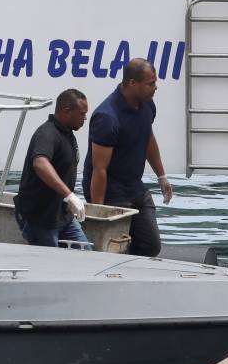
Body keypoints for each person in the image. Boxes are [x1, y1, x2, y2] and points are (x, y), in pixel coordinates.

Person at [82, 59, 173, 257]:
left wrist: (161, 176)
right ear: (132, 83)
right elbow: (99, 169)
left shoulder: (147, 105)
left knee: (151, 245)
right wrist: (99, 212)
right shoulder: (107, 118)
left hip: (134, 187)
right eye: (150, 84)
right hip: (110, 192)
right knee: (112, 246)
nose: (155, 88)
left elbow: (147, 136)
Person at [13, 89, 90, 248]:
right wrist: (69, 195)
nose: (85, 118)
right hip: (40, 219)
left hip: (63, 216)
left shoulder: (67, 133)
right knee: (49, 263)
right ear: (66, 111)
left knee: (85, 253)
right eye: (82, 114)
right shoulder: (47, 133)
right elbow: (40, 162)